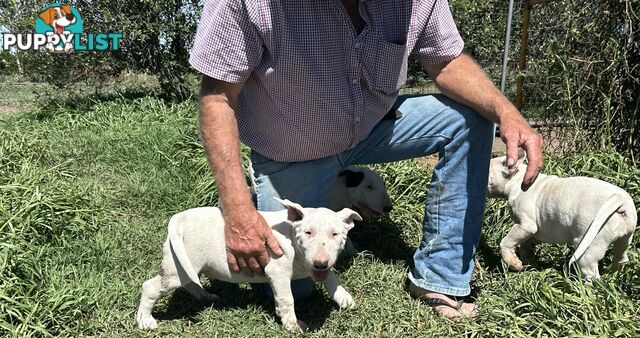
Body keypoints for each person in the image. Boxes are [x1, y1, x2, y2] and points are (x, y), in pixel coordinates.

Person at [189, 0, 543, 318]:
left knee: (471, 118)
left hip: (373, 127)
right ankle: (260, 198)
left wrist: (506, 112)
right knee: (293, 284)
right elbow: (217, 98)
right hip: (293, 152)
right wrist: (237, 212)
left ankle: (440, 276)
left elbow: (445, 60)